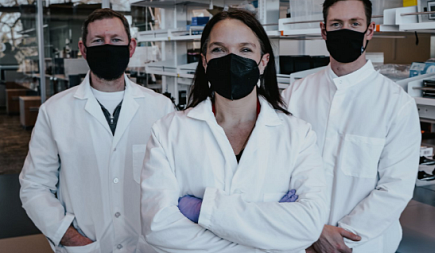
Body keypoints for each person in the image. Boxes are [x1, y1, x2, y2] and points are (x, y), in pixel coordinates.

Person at [140, 10, 328, 252]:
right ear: (205, 61)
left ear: (263, 62)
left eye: (245, 50)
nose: (232, 59)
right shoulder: (168, 131)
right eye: (219, 49)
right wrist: (270, 232)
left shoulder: (298, 134)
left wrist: (202, 211)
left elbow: (309, 225)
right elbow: (158, 227)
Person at [19, 8, 174, 253]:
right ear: (83, 49)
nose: (108, 46)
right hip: (86, 245)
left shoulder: (161, 108)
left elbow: (174, 182)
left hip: (147, 245)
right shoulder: (55, 111)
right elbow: (34, 186)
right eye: (98, 41)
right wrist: (71, 238)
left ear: (131, 47)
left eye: (116, 40)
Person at [282, 1, 421, 253]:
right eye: (337, 24)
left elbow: (395, 188)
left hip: (363, 244)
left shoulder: (396, 104)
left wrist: (340, 237)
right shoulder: (294, 95)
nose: (345, 31)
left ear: (370, 30)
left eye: (355, 24)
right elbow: (277, 170)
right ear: (324, 31)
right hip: (300, 238)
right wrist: (312, 230)